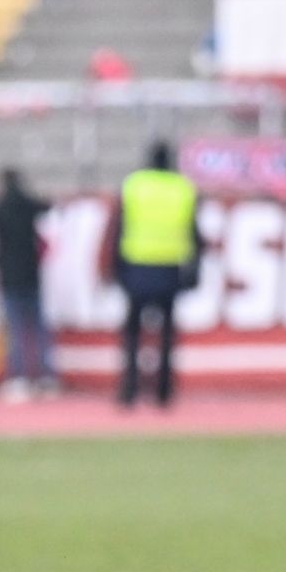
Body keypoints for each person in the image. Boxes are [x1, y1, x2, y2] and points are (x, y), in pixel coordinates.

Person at [110, 141, 200, 408]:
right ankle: (164, 392)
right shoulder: (183, 188)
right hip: (170, 267)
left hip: (137, 265)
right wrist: (194, 269)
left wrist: (115, 268)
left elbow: (119, 227)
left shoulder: (134, 185)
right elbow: (194, 233)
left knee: (132, 333)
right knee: (167, 335)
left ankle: (129, 390)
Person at [0, 167, 57, 400]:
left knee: (15, 330)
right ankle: (46, 378)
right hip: (31, 274)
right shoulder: (28, 204)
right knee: (39, 329)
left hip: (9, 276)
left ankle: (19, 378)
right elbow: (48, 206)